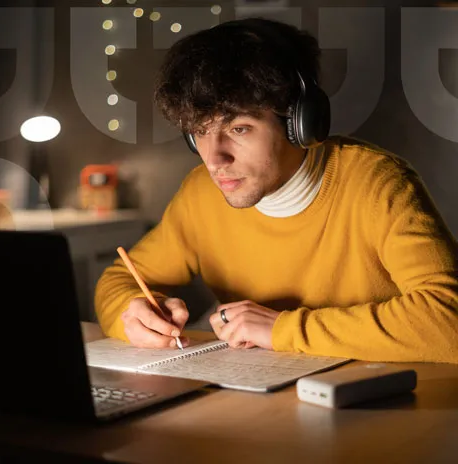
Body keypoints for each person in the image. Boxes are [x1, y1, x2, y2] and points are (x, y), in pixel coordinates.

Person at [95, 17, 458, 363]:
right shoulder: (200, 195)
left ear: (300, 122)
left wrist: (284, 329)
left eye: (239, 129)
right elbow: (120, 279)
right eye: (200, 131)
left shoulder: (378, 184)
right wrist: (135, 316)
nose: (214, 158)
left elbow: (449, 321)